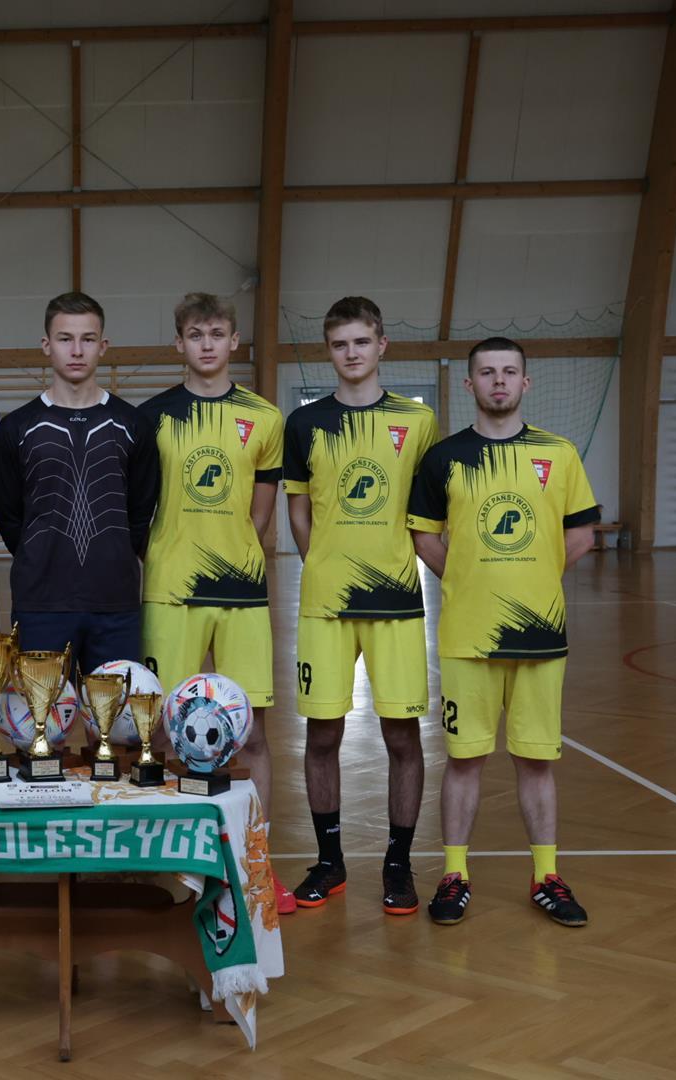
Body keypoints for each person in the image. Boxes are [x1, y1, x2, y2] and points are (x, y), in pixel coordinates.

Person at [408, 337, 599, 928]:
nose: (499, 381)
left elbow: (581, 534)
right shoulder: (444, 458)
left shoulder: (559, 453)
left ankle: (547, 876)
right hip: (467, 639)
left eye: (509, 372)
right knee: (464, 759)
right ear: (469, 384)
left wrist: (534, 579)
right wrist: (468, 581)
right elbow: (424, 536)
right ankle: (454, 874)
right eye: (487, 372)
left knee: (535, 761)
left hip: (541, 637)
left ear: (525, 382)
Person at [282, 296, 438, 916]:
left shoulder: (417, 421)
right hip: (325, 605)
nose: (351, 353)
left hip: (397, 601)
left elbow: (428, 509)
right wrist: (321, 563)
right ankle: (330, 861)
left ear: (381, 345)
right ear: (330, 350)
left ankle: (398, 864)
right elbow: (298, 508)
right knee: (323, 734)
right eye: (340, 344)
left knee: (402, 735)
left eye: (361, 342)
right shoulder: (305, 423)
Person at [138, 292, 293, 912]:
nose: (207, 344)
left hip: (240, 592)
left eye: (217, 333)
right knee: (161, 731)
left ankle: (256, 862)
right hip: (170, 592)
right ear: (179, 342)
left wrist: (227, 555)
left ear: (234, 341)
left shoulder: (265, 418)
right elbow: (140, 507)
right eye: (195, 334)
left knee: (251, 733)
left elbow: (261, 513)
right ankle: (167, 863)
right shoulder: (153, 417)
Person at [0, 291, 159, 672]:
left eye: (88, 339)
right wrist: (40, 556)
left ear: (103, 346)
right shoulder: (17, 427)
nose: (77, 350)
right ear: (46, 345)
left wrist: (114, 554)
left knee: (115, 711)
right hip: (40, 604)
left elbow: (141, 512)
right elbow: (8, 515)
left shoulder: (133, 424)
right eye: (65, 339)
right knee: (45, 712)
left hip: (115, 604)